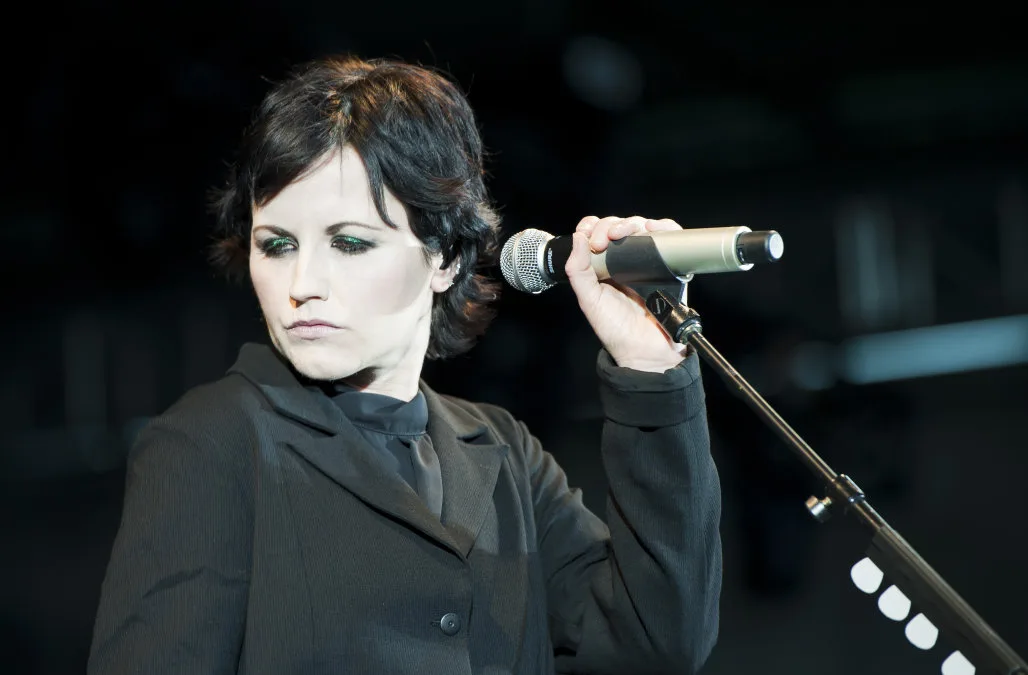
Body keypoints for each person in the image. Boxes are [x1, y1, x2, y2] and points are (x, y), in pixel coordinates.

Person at [87, 55, 722, 675]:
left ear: (444, 255)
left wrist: (650, 368)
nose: (301, 283)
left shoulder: (504, 454)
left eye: (349, 242)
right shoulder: (212, 441)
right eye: (276, 245)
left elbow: (659, 642)